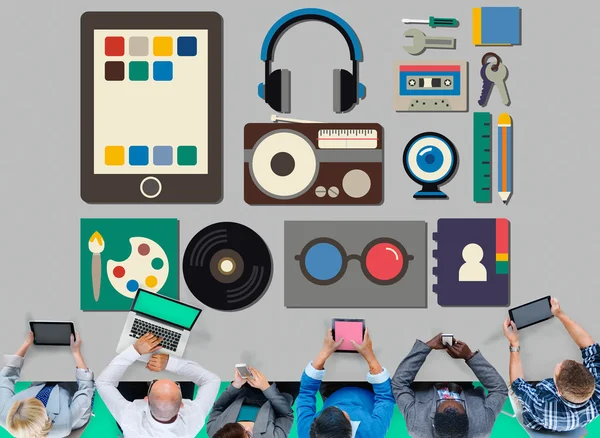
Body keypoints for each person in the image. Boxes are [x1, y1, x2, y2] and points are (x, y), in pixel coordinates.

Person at [503, 297, 600, 432]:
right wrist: (559, 313)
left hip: (541, 417)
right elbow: (589, 346)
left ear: (558, 390)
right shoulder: (598, 389)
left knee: (508, 380)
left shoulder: (543, 407)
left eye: (558, 369)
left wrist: (514, 343)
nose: (560, 363)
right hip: (571, 420)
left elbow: (517, 384)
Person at [96, 332, 221, 437]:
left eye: (154, 382)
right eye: (174, 384)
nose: (155, 378)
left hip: (135, 422)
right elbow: (212, 381)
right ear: (182, 404)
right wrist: (170, 363)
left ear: (146, 399)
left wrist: (136, 350)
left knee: (126, 375)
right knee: (184, 359)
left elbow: (103, 382)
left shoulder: (129, 419)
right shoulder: (194, 419)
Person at [392, 333, 507, 438]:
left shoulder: (417, 425)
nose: (450, 396)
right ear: (468, 418)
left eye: (443, 401)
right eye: (458, 402)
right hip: (461, 376)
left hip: (426, 377)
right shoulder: (482, 426)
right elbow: (499, 390)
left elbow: (398, 385)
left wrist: (427, 346)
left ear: (434, 417)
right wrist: (470, 356)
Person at [296, 328, 395, 438]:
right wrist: (370, 355)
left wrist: (324, 353)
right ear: (350, 427)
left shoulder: (308, 432)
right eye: (341, 411)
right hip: (371, 388)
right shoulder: (373, 433)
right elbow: (385, 397)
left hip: (332, 389)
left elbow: (305, 393)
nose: (339, 406)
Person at [0, 331, 94, 438]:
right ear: (44, 411)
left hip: (43, 386)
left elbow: (5, 377)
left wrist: (26, 344)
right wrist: (76, 353)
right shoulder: (63, 424)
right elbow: (86, 389)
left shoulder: (4, 414)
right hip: (72, 406)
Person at [207, 366, 297, 438]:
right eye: (249, 435)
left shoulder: (214, 431)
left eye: (240, 426)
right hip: (280, 393)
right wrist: (266, 387)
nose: (248, 428)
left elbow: (218, 407)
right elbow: (286, 414)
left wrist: (236, 385)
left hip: (246, 386)